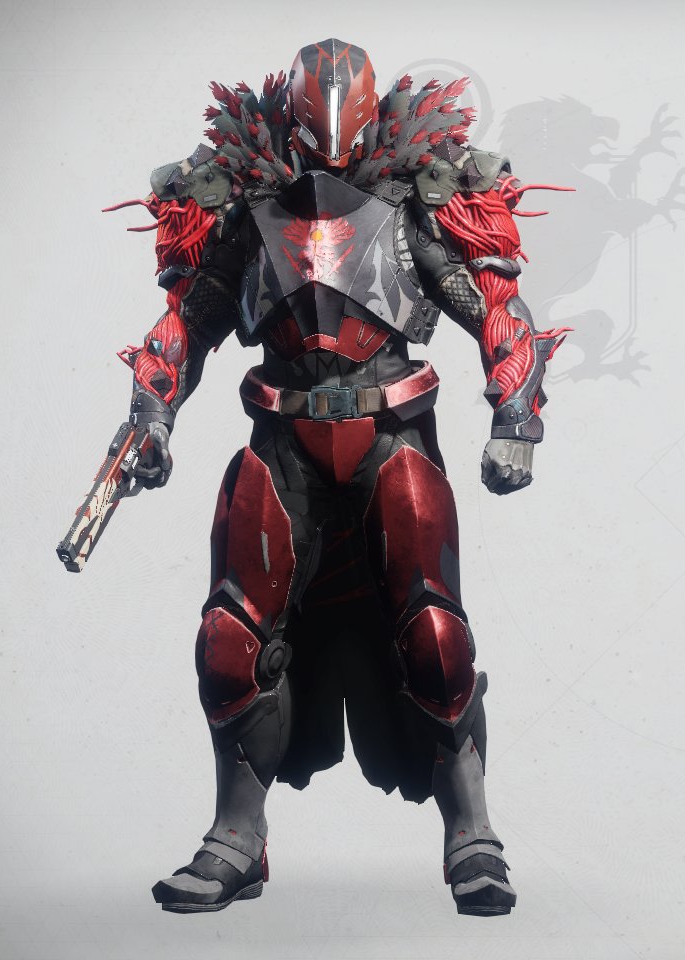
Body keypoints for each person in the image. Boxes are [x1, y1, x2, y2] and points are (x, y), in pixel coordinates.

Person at [105, 37, 570, 917]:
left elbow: (494, 310)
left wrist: (516, 419)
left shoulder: (413, 201)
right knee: (230, 637)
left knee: (434, 633)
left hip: (391, 437)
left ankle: (471, 833)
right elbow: (187, 323)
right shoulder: (248, 209)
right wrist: (153, 416)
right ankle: (236, 837)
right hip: (280, 442)